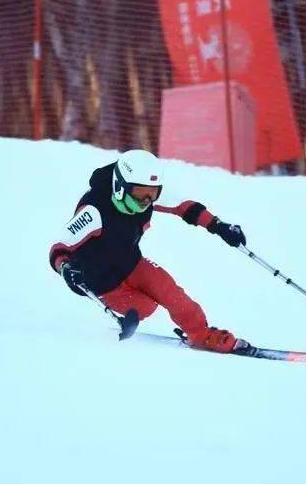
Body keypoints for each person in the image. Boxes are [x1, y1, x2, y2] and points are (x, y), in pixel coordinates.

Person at [48, 149, 250, 354]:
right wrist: (65, 268)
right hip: (99, 280)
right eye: (140, 194)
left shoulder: (146, 198)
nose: (146, 201)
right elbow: (60, 247)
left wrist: (218, 225)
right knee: (145, 307)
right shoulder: (95, 210)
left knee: (168, 290)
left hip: (130, 262)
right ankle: (134, 309)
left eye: (152, 194)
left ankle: (200, 333)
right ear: (120, 186)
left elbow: (184, 207)